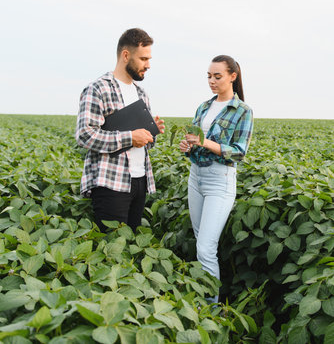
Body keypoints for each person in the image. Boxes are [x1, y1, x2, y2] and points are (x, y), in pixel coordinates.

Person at [179, 55, 253, 303]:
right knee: (202, 243)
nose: (212, 81)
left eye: (217, 76)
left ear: (233, 76)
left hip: (219, 180)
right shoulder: (203, 107)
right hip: (196, 177)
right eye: (209, 76)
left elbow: (239, 152)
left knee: (205, 248)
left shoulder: (242, 111)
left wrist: (205, 142)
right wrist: (188, 146)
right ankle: (202, 300)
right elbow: (194, 140)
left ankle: (210, 309)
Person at [76, 28, 164, 233]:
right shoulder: (98, 89)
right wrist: (130, 137)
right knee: (112, 247)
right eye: (143, 59)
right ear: (126, 55)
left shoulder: (141, 93)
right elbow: (85, 134)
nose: (148, 65)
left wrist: (151, 133)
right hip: (111, 182)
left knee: (131, 241)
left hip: (140, 180)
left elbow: (143, 143)